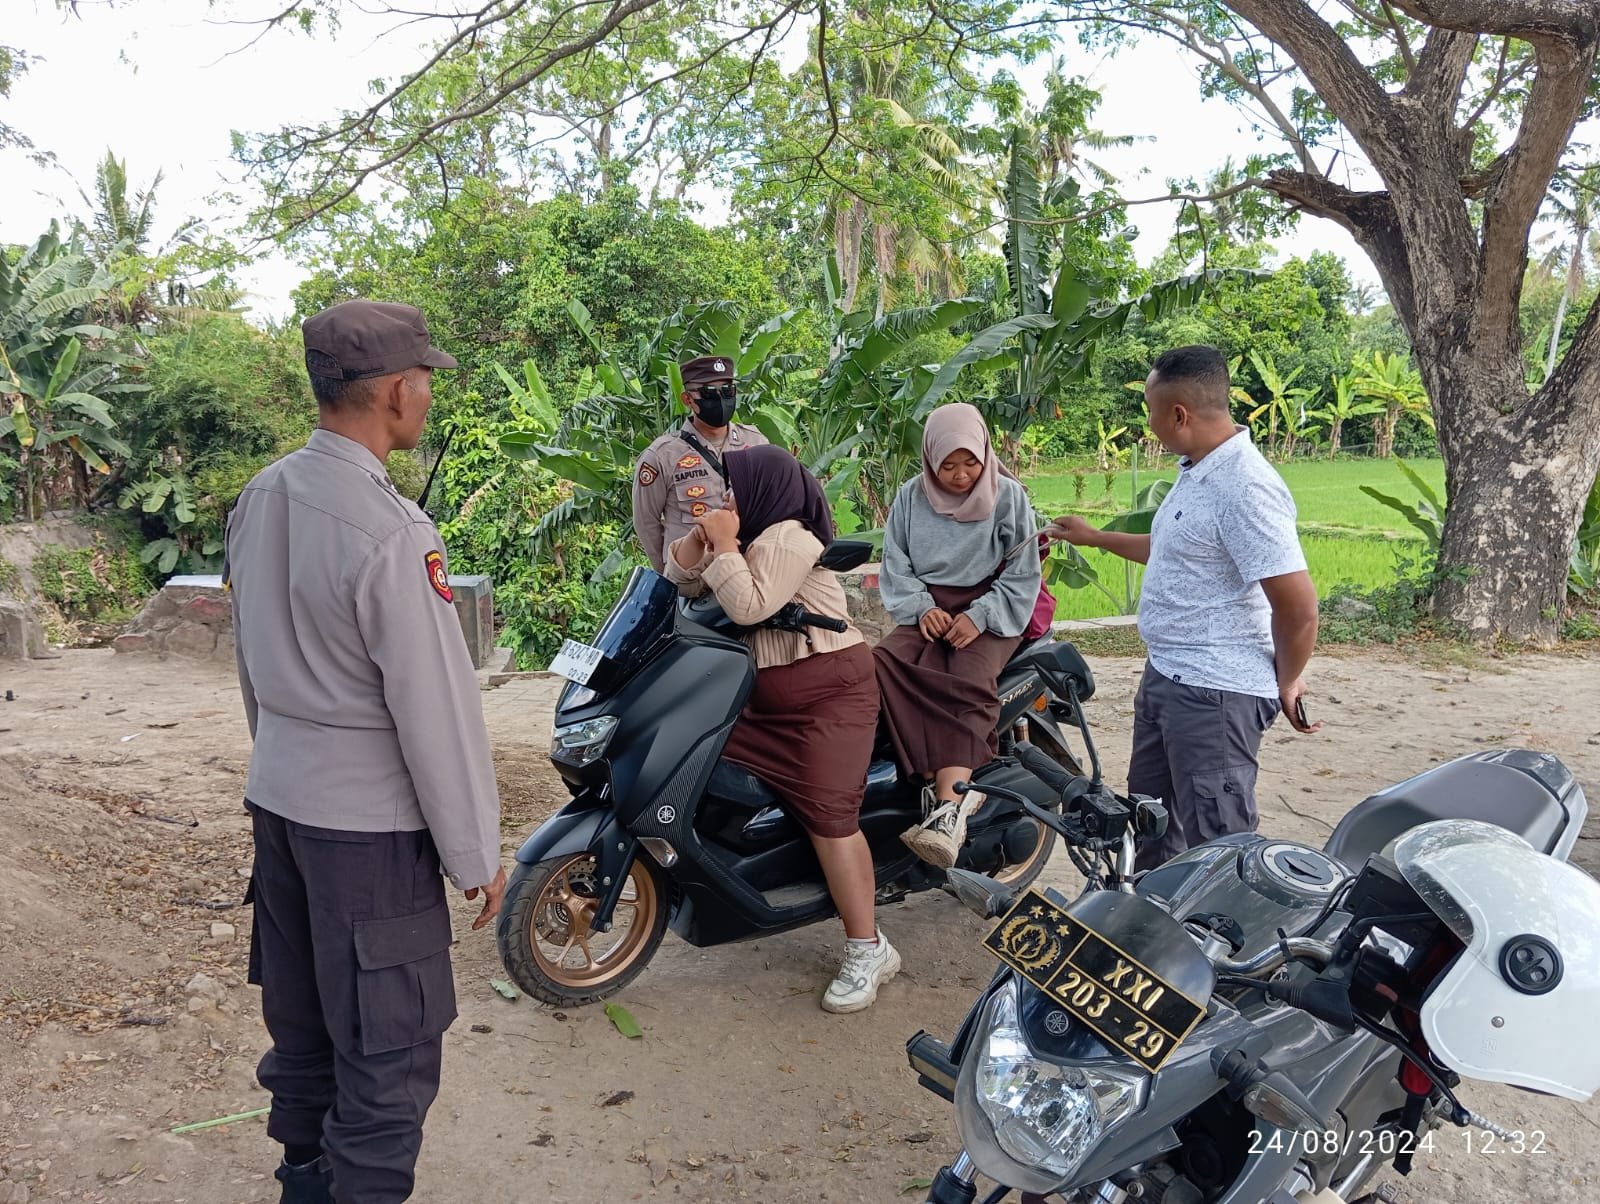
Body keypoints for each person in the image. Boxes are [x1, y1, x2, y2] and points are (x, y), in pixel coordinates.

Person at [224, 300, 505, 1204]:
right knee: (387, 1057)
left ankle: (303, 1184)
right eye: (425, 377)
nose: (426, 392)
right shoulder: (392, 533)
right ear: (394, 392)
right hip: (368, 838)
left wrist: (280, 762)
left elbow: (251, 664)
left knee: (305, 1034)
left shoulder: (263, 495)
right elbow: (436, 709)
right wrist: (474, 853)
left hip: (282, 808)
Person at [1049, 344, 1322, 872]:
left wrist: (1287, 680)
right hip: (1169, 677)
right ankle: (1156, 930)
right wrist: (1097, 538)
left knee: (1215, 842)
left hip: (1215, 693)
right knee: (1153, 823)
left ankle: (1215, 944)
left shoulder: (1245, 487)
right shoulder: (1198, 469)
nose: (1148, 424)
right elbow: (1171, 548)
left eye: (1151, 411)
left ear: (1178, 414)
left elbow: (1300, 608)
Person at [664, 444, 899, 1013]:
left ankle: (869, 948)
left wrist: (722, 546)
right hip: (763, 701)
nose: (729, 500)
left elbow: (749, 605)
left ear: (766, 489)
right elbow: (678, 579)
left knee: (830, 818)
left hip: (829, 696)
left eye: (736, 489)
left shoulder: (789, 535)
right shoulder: (752, 535)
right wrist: (701, 540)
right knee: (695, 764)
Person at [874, 403, 1044, 868]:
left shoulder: (1007, 496)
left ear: (985, 454)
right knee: (882, 665)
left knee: (967, 677)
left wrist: (981, 616)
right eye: (947, 464)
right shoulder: (911, 497)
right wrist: (921, 608)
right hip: (928, 607)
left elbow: (1023, 571)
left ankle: (951, 809)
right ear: (930, 460)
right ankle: (929, 776)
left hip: (990, 607)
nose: (961, 474)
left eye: (970, 461)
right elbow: (896, 564)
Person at [632, 354, 768, 574]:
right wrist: (671, 573)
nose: (721, 399)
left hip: (747, 572)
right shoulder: (661, 456)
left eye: (728, 391)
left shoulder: (756, 443)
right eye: (709, 393)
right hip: (694, 579)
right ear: (687, 399)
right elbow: (646, 523)